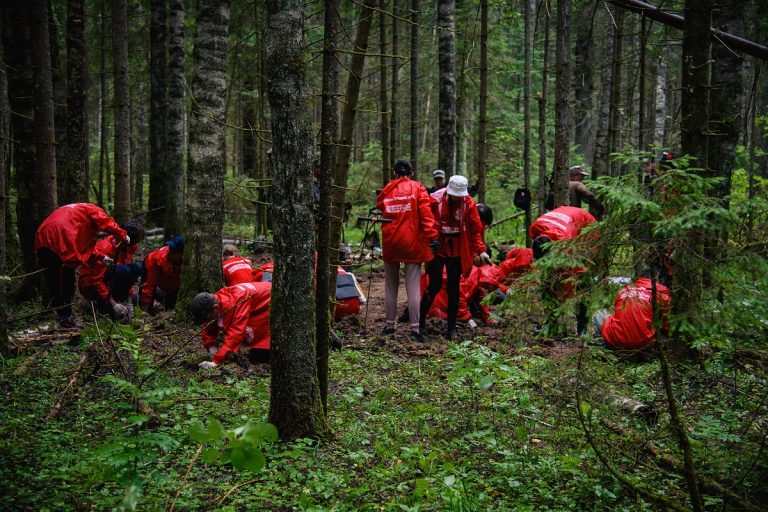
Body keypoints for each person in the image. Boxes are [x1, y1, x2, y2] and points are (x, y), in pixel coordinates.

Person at [35, 203, 128, 328]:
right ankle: (65, 319)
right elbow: (106, 223)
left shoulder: (77, 215)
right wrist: (122, 234)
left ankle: (64, 317)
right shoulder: (92, 210)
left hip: (42, 237)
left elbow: (83, 245)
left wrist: (100, 257)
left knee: (54, 280)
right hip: (61, 237)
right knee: (64, 281)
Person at [376, 159, 439, 341]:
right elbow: (426, 216)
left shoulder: (388, 189)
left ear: (395, 174)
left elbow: (381, 205)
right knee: (413, 287)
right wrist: (433, 237)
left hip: (391, 242)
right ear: (411, 173)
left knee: (390, 285)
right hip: (412, 243)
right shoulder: (418, 188)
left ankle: (389, 326)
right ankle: (415, 329)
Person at [420, 174, 488, 340]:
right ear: (448, 192)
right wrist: (432, 240)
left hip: (458, 250)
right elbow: (427, 222)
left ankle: (451, 328)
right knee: (434, 285)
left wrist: (481, 250)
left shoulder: (468, 204)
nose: (458, 199)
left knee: (454, 288)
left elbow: (475, 230)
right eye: (455, 196)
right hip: (439, 248)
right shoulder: (435, 201)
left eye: (460, 197)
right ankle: (420, 322)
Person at [529, 206, 597, 336]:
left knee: (582, 280)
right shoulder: (534, 228)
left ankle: (582, 328)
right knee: (547, 279)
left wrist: (562, 304)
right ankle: (551, 324)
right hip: (568, 221)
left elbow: (568, 280)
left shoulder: (566, 244)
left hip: (587, 231)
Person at [190, 281, 272, 368]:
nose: (206, 321)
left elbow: (236, 333)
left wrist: (216, 361)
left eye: (206, 318)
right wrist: (212, 348)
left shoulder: (237, 302)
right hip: (258, 298)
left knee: (260, 328)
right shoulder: (217, 301)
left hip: (269, 298)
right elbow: (207, 329)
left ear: (215, 308)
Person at [78, 220, 145, 321]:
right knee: (124, 270)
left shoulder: (126, 246)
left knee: (136, 268)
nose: (137, 245)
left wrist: (129, 299)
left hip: (111, 281)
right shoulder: (105, 249)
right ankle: (104, 304)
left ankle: (122, 301)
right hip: (91, 287)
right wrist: (113, 304)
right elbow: (96, 281)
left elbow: (128, 268)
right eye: (136, 242)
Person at [592, 276, 671, 350]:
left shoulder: (625, 289)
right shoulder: (662, 292)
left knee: (599, 314)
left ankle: (602, 348)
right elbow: (668, 324)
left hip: (618, 340)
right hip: (645, 343)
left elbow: (618, 313)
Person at [139, 235, 185, 313]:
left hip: (169, 284)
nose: (169, 252)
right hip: (150, 268)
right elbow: (149, 285)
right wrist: (144, 312)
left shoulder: (187, 263)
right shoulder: (157, 259)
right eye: (170, 248)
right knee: (146, 297)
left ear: (181, 254)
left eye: (174, 251)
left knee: (171, 303)